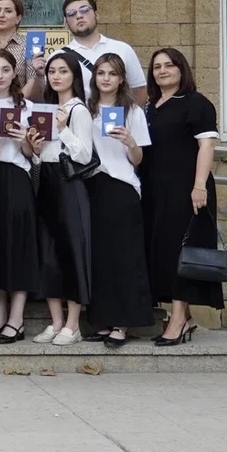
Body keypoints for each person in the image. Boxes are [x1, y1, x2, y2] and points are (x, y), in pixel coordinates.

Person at [142, 48, 222, 346]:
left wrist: (199, 185)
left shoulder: (196, 103)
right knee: (163, 252)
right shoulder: (150, 106)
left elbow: (206, 146)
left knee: (180, 252)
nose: (162, 71)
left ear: (181, 69)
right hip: (155, 190)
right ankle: (184, 318)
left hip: (186, 190)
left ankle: (177, 321)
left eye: (169, 65)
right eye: (157, 67)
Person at [83, 53, 154, 348]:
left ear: (121, 78)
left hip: (122, 185)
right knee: (99, 256)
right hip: (92, 184)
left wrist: (130, 142)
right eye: (101, 73)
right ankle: (103, 319)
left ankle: (122, 323)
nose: (106, 78)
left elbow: (138, 160)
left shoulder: (132, 111)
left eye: (112, 74)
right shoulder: (86, 109)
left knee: (124, 255)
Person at [27, 51, 94, 347]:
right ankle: (55, 322)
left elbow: (84, 155)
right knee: (48, 254)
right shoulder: (46, 108)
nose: (56, 76)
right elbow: (42, 154)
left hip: (70, 183)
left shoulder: (78, 110)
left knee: (71, 252)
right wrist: (35, 149)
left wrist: (63, 129)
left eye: (63, 71)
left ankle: (73, 324)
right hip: (47, 180)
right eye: (52, 71)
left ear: (74, 75)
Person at [0, 49, 40, 343]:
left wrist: (25, 141)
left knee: (18, 244)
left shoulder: (27, 106)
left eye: (5, 69)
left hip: (16, 176)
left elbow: (34, 153)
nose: (0, 75)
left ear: (15, 72)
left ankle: (17, 318)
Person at [62, 0, 147, 104]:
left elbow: (139, 90)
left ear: (96, 15)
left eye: (84, 10)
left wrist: (129, 114)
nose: (79, 16)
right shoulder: (60, 56)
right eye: (71, 13)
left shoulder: (123, 49)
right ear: (67, 22)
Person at [0, 0, 44, 99]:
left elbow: (32, 80)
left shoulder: (28, 45)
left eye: (8, 11)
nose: (1, 15)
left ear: (18, 18)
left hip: (19, 104)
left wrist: (14, 103)